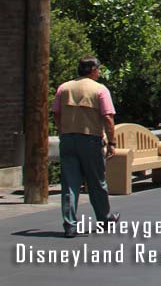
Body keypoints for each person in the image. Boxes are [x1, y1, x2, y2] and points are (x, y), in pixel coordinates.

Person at [52, 56, 120, 238]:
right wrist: (112, 142)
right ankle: (104, 218)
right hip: (90, 139)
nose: (99, 72)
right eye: (98, 69)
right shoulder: (100, 90)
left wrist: (62, 130)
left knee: (69, 183)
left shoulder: (63, 88)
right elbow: (108, 117)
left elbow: (56, 113)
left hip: (68, 138)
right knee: (97, 180)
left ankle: (70, 224)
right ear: (92, 70)